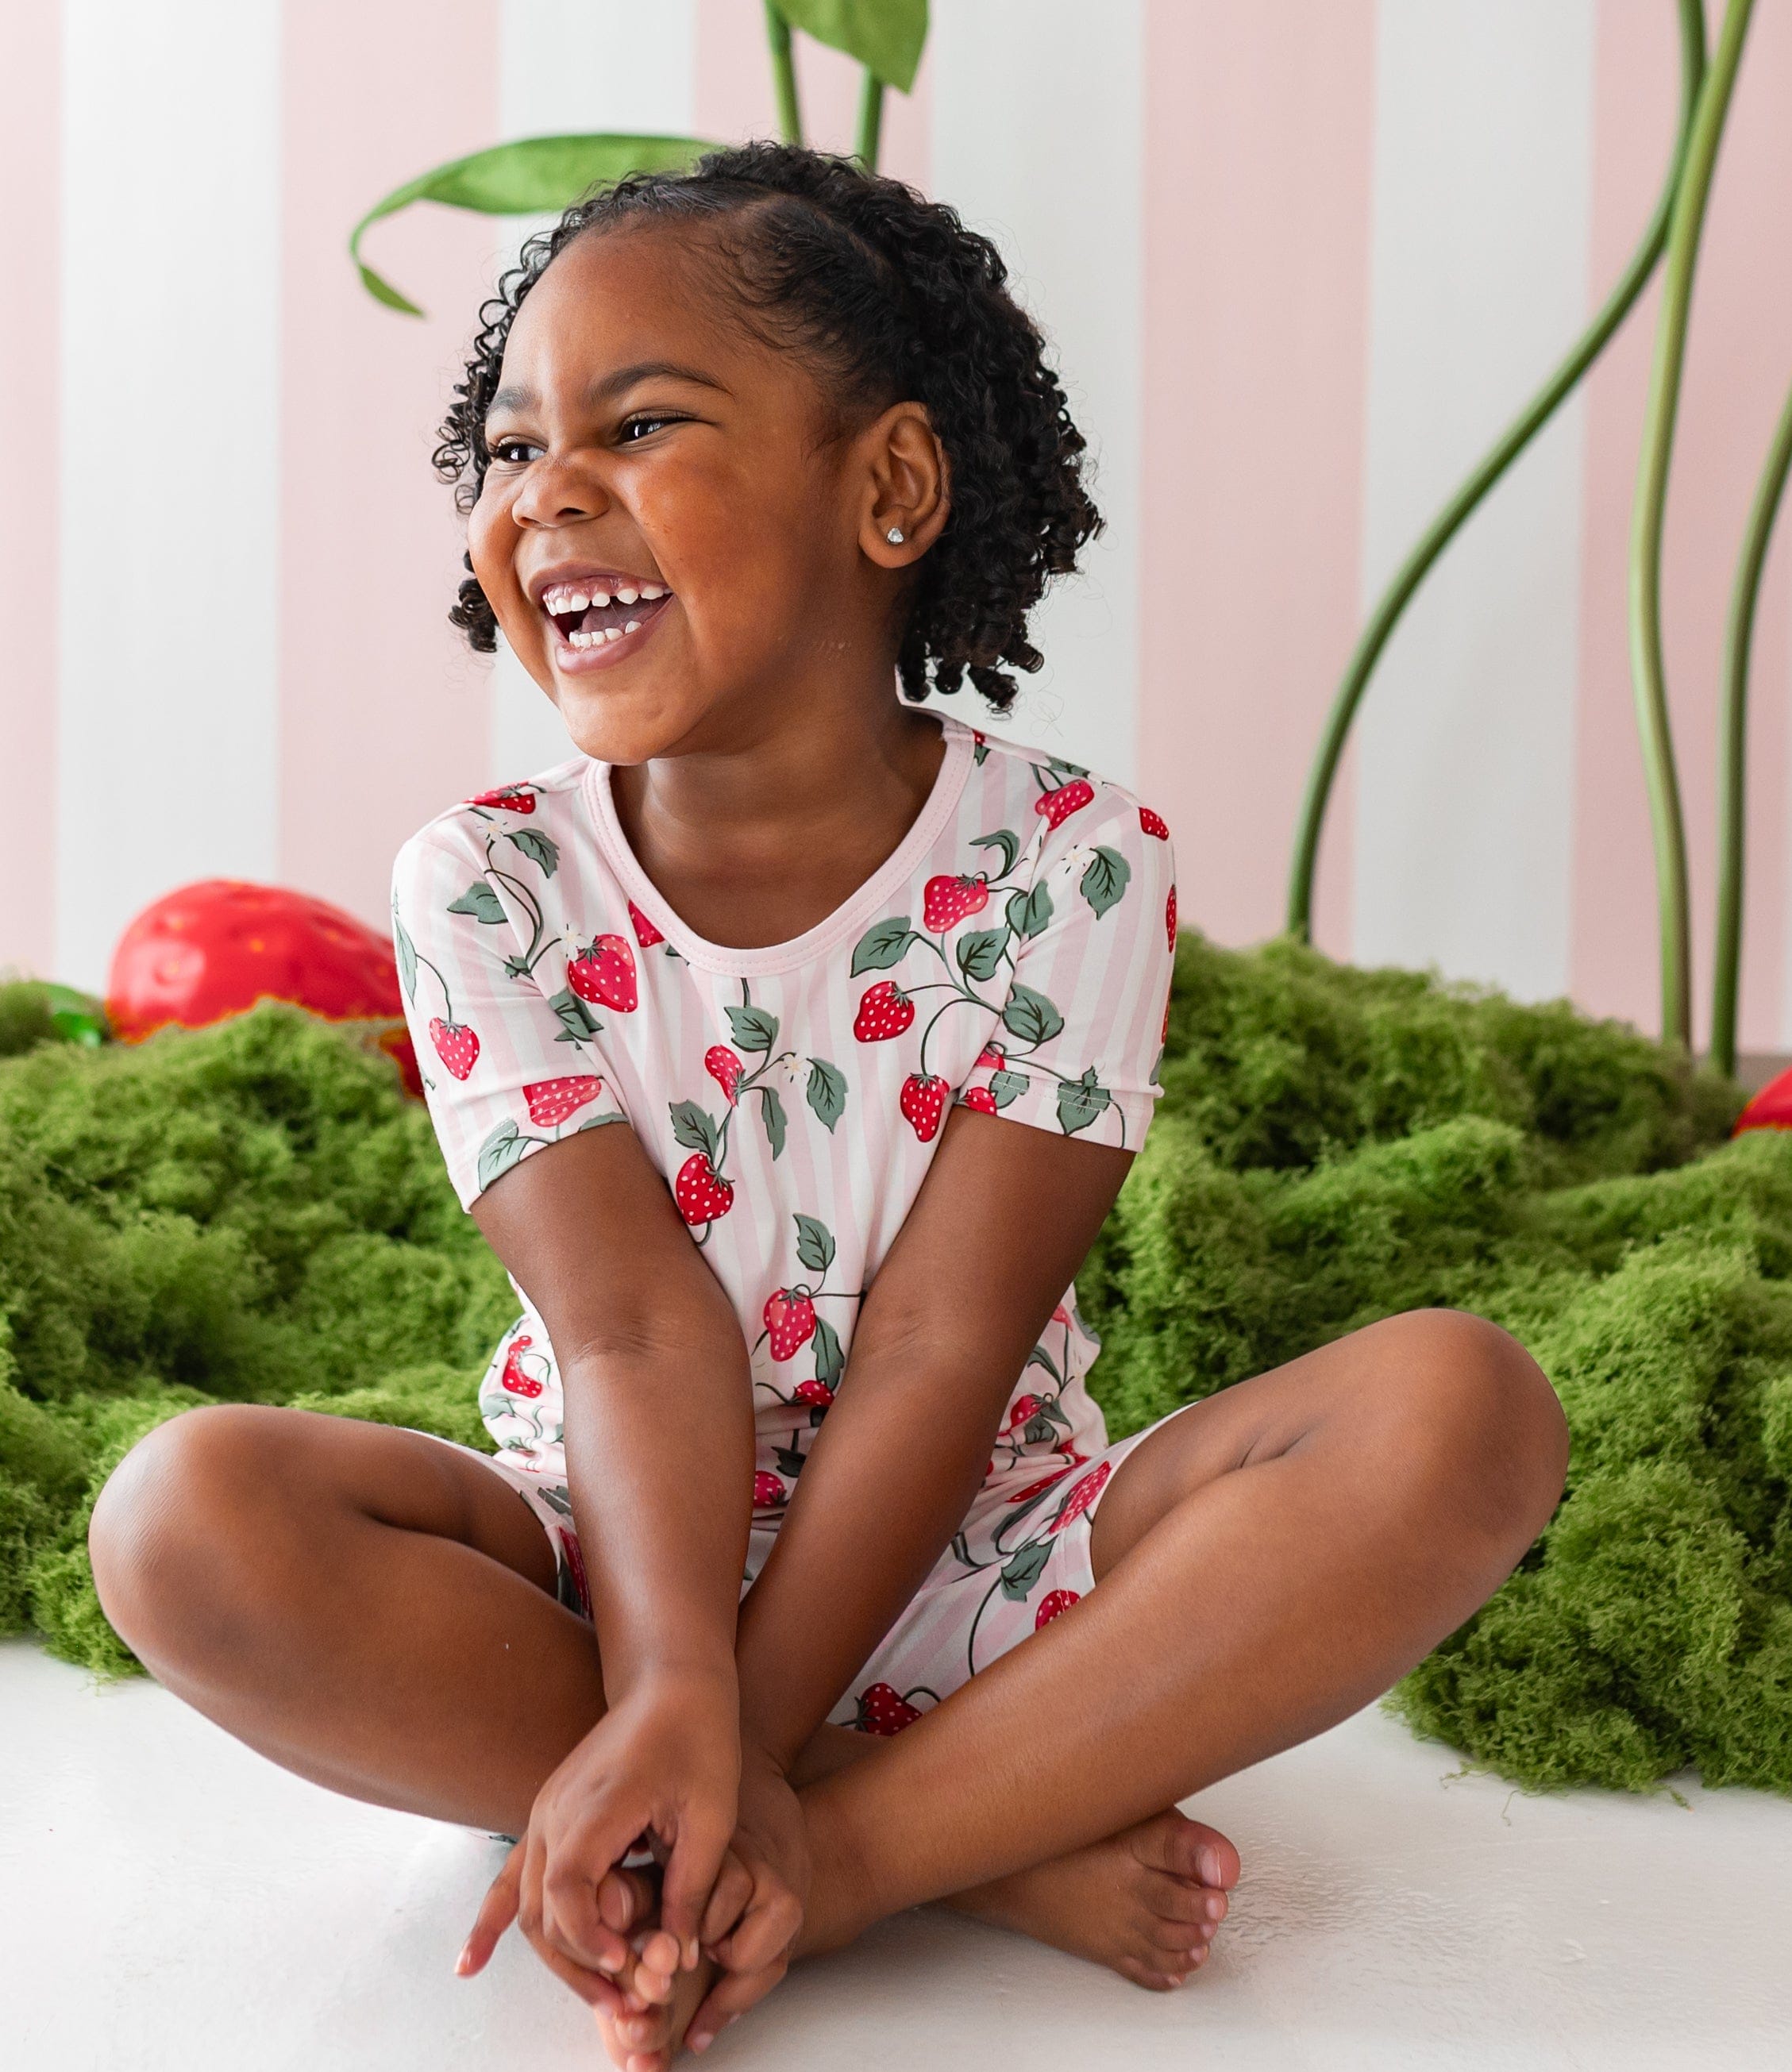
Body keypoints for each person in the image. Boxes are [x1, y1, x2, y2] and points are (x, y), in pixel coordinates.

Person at [87, 142, 1568, 2068]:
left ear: (885, 489)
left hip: (979, 1546)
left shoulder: (1075, 862)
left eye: (637, 422)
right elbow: (627, 1326)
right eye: (513, 449)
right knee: (181, 1520)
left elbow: (950, 1346)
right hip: (604, 1569)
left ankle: (824, 1856)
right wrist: (676, 1678)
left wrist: (735, 1742)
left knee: (1465, 1415)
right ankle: (962, 1837)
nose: (548, 496)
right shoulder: (484, 887)